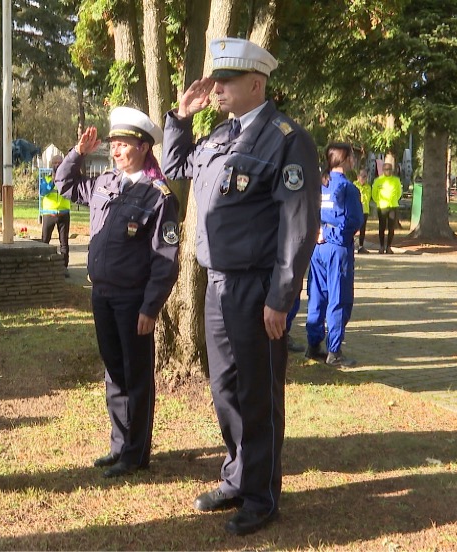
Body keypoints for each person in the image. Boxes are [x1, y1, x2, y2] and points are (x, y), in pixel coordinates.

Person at [162, 38, 320, 535]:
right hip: (218, 285)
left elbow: (298, 226)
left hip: (257, 288)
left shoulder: (287, 139)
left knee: (258, 392)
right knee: (225, 387)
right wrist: (181, 118)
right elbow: (175, 167)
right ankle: (236, 476)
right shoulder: (219, 137)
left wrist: (281, 297)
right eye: (217, 81)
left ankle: (262, 494)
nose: (217, 89)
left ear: (256, 83)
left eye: (226, 82)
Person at [55, 106, 180, 479]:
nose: (116, 151)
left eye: (123, 144)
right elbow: (63, 185)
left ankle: (136, 453)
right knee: (114, 372)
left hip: (133, 299)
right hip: (102, 294)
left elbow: (165, 258)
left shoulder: (158, 195)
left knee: (136, 374)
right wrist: (77, 153)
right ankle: (118, 445)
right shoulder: (105, 182)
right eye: (114, 145)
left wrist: (151, 306)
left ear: (143, 147)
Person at [304, 144, 363, 367]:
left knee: (317, 295)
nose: (354, 161)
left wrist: (318, 230)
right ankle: (334, 351)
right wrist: (330, 232)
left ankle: (313, 345)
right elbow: (354, 221)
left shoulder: (320, 184)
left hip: (318, 247)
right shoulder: (348, 188)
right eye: (352, 157)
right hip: (337, 248)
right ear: (345, 160)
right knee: (339, 297)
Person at [39, 154, 71, 275]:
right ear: (51, 164)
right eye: (55, 163)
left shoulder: (67, 177)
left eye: (59, 163)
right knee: (45, 241)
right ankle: (42, 266)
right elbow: (43, 191)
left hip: (63, 213)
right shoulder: (46, 177)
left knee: (64, 242)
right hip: (49, 213)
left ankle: (64, 267)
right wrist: (53, 180)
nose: (57, 165)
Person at [372, 162, 402, 253]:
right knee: (382, 226)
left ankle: (389, 246)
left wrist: (394, 200)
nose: (388, 171)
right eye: (386, 169)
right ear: (383, 170)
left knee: (391, 227)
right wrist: (379, 201)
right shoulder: (378, 180)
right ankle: (381, 246)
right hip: (382, 207)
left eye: (389, 169)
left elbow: (399, 193)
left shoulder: (396, 180)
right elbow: (374, 193)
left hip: (393, 206)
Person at [354, 168, 372, 253]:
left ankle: (361, 246)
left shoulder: (368, 187)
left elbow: (369, 197)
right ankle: (352, 244)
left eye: (365, 176)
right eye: (362, 176)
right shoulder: (354, 185)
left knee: (362, 229)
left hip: (365, 210)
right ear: (358, 177)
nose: (364, 178)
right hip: (355, 210)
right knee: (353, 228)